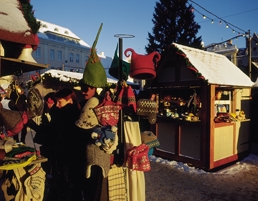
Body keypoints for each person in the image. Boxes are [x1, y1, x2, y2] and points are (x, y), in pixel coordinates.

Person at [47, 88, 81, 201]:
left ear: (70, 100)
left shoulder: (66, 114)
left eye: (59, 102)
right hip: (69, 156)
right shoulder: (74, 112)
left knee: (66, 187)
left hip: (67, 156)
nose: (57, 105)